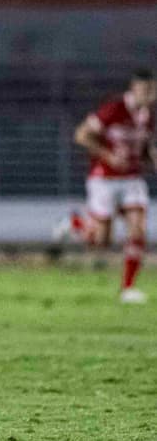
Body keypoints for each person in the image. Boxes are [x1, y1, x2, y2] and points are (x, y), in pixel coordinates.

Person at [60, 68, 156, 303]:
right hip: (104, 178)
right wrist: (108, 156)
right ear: (134, 89)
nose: (149, 94)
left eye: (152, 90)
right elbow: (82, 135)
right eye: (145, 89)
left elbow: (143, 149)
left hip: (131, 178)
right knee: (101, 241)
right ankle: (76, 224)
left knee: (138, 229)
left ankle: (128, 288)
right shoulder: (114, 108)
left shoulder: (148, 116)